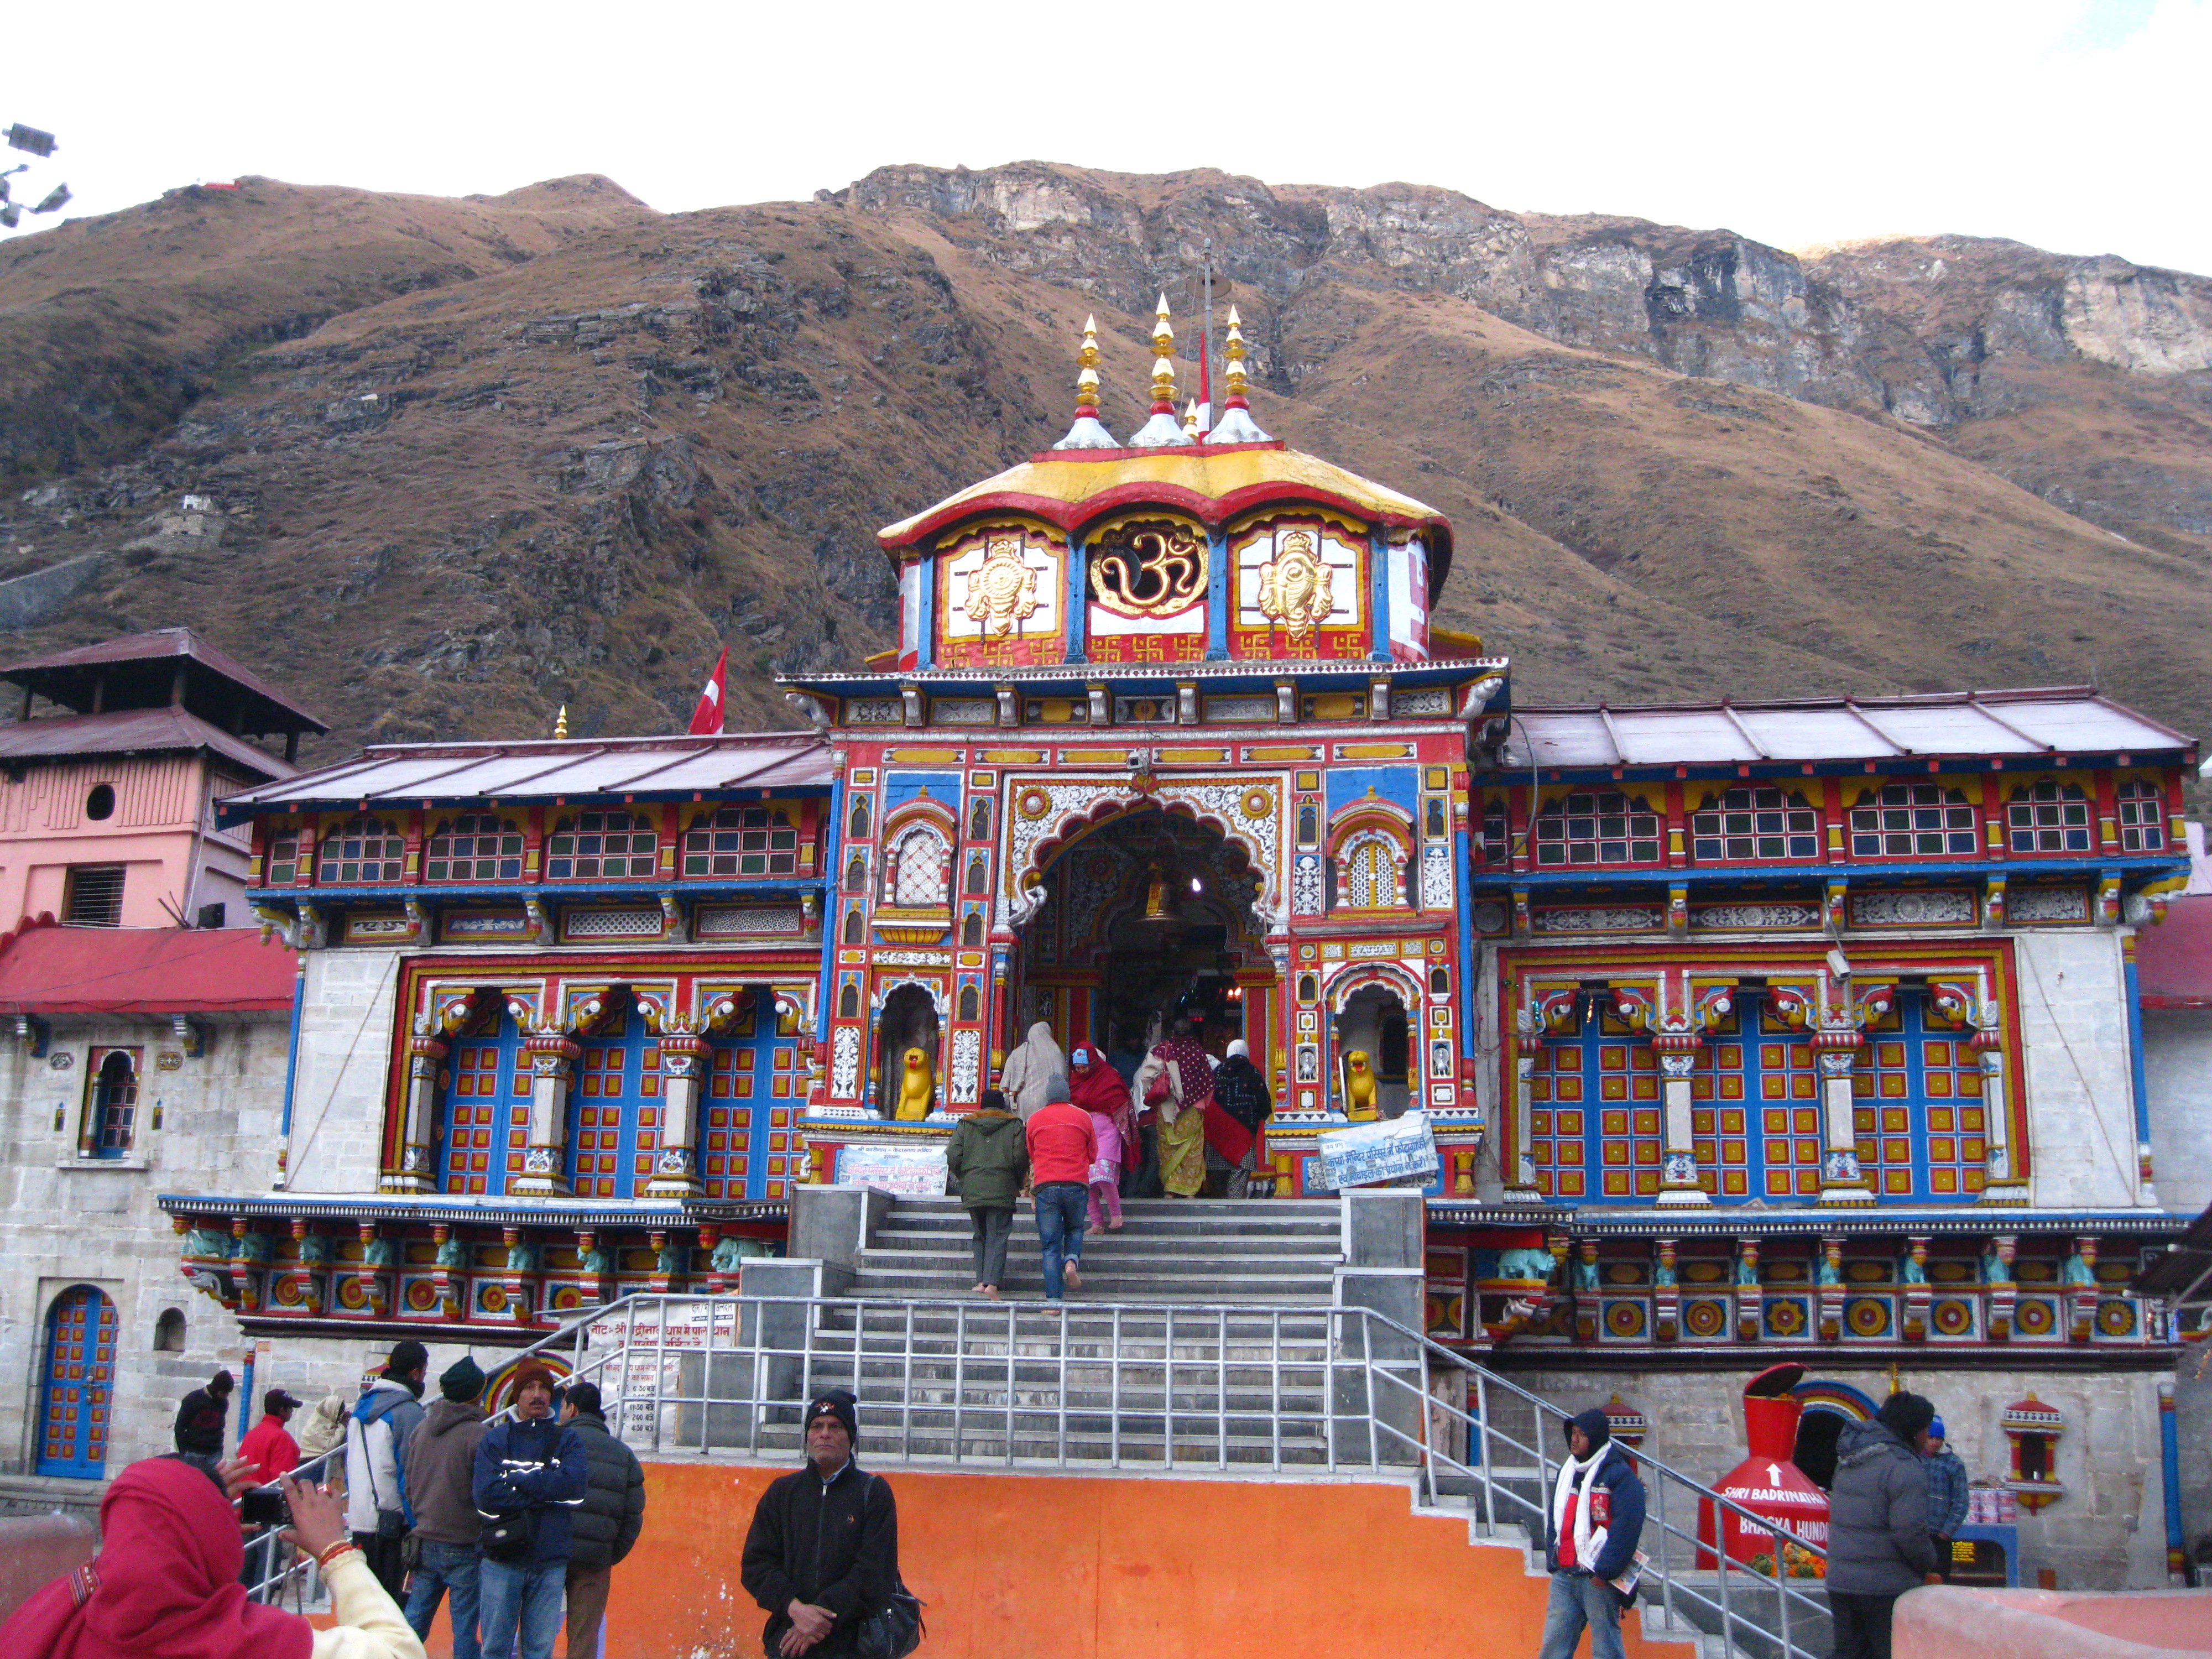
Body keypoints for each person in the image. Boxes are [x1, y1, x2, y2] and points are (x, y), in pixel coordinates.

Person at [0, 1452, 427, 1659]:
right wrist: (335, 1551)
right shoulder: (251, 1643)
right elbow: (400, 1652)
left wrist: (185, 1501)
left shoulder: (57, 1609)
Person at [740, 1390, 899, 1659]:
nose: (824, 1434)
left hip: (854, 1645)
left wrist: (818, 1620)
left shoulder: (873, 1493)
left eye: (835, 1426)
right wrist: (795, 1610)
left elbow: (875, 1572)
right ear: (807, 1437)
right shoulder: (782, 1493)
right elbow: (756, 1565)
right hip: (789, 1642)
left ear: (851, 1438)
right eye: (817, 1426)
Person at [472, 1361, 589, 1659]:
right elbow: (485, 1497)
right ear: (516, 1396)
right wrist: (546, 1491)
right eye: (528, 1388)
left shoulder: (569, 1440)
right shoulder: (495, 1440)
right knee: (495, 1648)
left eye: (543, 1388)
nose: (537, 1395)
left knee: (540, 1650)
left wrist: (521, 1480)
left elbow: (574, 1491)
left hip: (550, 1561)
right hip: (502, 1559)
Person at [1827, 1391, 1939, 1659]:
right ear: (1913, 1431)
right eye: (1926, 1430)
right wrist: (1929, 1563)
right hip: (1885, 1586)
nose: (1927, 1437)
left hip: (1842, 1582)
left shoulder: (1850, 1459)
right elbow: (1909, 1532)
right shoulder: (1904, 1467)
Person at [1538, 1407, 1647, 1659]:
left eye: (1582, 1434)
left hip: (1598, 1578)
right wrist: (1554, 1563)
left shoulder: (1620, 1476)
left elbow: (1626, 1529)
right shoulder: (1567, 1473)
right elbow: (1556, 1521)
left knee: (1606, 1648)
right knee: (1554, 1646)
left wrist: (1604, 1573)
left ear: (1596, 1438)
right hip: (1566, 1574)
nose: (1574, 1440)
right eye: (1573, 1433)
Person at [404, 1357, 491, 1659]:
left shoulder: (422, 1430)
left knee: (413, 1624)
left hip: (425, 1539)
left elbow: (409, 1484)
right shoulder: (479, 1436)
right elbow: (487, 1493)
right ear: (478, 1394)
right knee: (465, 1629)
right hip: (464, 1543)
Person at [560, 1380, 646, 1659]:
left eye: (562, 1407)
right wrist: (609, 1554)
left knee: (537, 1632)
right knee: (584, 1639)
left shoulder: (553, 1444)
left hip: (549, 1554)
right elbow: (633, 1516)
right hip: (596, 1559)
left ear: (572, 1409)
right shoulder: (623, 1454)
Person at [347, 1339, 431, 1600]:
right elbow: (411, 1477)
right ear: (415, 1373)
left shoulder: (359, 1411)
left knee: (366, 1606)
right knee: (395, 1609)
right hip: (394, 1526)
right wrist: (419, 1526)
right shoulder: (408, 1413)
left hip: (360, 1521)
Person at [945, 1086, 1027, 1297]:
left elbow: (954, 1154)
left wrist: (965, 1175)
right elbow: (1020, 1157)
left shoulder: (965, 1125)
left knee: (980, 1234)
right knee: (998, 1234)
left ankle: (981, 1281)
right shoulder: (1014, 1125)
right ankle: (993, 1283)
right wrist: (1018, 1182)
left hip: (973, 1186)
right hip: (1003, 1185)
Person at [1025, 1075, 1098, 1300]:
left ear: (1048, 1097)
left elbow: (1032, 1154)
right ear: (1068, 1095)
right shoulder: (1083, 1117)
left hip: (1046, 1186)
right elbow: (1093, 1154)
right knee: (1075, 1229)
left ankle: (1054, 1300)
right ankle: (1072, 1261)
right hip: (1076, 1184)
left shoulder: (1034, 1119)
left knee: (1050, 1246)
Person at [1135, 1016, 1213, 1198]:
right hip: (1193, 1109)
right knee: (1192, 1150)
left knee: (1168, 1147)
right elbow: (1208, 1082)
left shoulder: (1163, 1050)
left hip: (1167, 1109)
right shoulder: (1197, 1052)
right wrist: (1203, 1105)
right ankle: (1189, 1191)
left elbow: (1146, 1077)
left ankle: (1170, 1188)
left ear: (1173, 1032)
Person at [238, 1387, 305, 1598]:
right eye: (290, 1409)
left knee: (246, 1570)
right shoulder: (282, 1438)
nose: (292, 1413)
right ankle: (260, 1616)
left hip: (245, 1503)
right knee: (266, 1571)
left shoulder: (252, 1434)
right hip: (269, 1506)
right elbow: (282, 1479)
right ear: (282, 1410)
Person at [1068, 1042, 1134, 1231]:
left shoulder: (1109, 1077)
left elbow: (1121, 1101)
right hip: (1086, 1132)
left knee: (1104, 1175)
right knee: (1087, 1180)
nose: (1081, 1072)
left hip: (1108, 1131)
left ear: (1094, 1063)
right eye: (1077, 1068)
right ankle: (1096, 1222)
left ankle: (1116, 1215)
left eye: (1084, 1067)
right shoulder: (1075, 1080)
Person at [1208, 1038, 1274, 1198]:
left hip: (1218, 1132)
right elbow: (1264, 1102)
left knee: (1219, 1171)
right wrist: (1260, 1116)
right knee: (1240, 1169)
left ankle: (1221, 1204)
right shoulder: (1252, 1073)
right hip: (1243, 1134)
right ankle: (1235, 1203)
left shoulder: (1217, 1072)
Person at [1917, 1413, 1970, 1587]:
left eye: (1938, 1439)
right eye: (1931, 1437)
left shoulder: (1953, 1464)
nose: (1934, 1443)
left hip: (1940, 1537)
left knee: (1939, 1583)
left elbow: (1961, 1501)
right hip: (1915, 1534)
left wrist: (1946, 1533)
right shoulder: (1913, 1459)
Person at [999, 1020, 1066, 1120]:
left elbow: (1006, 1082)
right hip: (1049, 1103)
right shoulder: (1056, 1054)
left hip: (1023, 1103)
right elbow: (1062, 1079)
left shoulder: (1018, 1053)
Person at [174, 1368, 235, 1455]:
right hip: (193, 1452)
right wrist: (184, 1451)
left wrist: (219, 1448)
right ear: (216, 1389)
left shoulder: (223, 1403)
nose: (226, 1396)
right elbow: (180, 1426)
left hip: (214, 1452)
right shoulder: (193, 1399)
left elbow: (220, 1427)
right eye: (224, 1392)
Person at [298, 1392, 351, 1462]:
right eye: (338, 1414)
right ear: (331, 1412)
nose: (339, 1418)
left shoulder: (331, 1424)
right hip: (309, 1462)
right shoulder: (314, 1426)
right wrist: (343, 1425)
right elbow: (329, 1447)